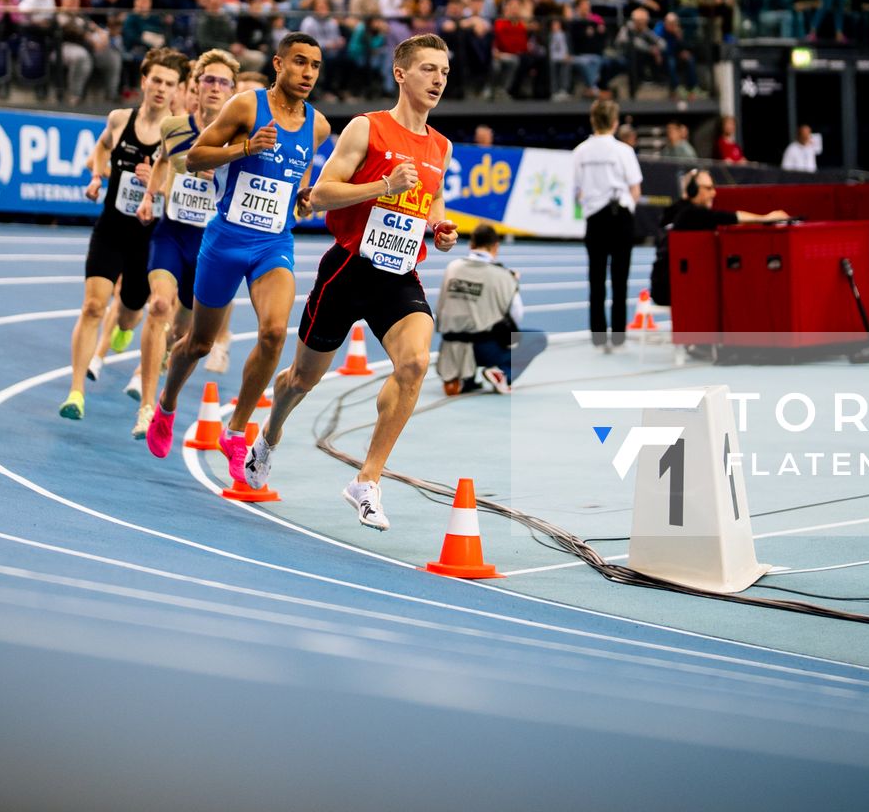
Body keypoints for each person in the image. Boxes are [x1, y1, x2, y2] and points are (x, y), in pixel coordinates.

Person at [243, 35, 460, 528]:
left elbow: (432, 202)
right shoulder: (367, 129)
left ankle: (368, 479)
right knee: (301, 380)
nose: (438, 79)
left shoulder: (441, 146)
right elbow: (319, 195)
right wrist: (385, 185)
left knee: (416, 362)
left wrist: (438, 228)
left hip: (398, 274)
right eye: (428, 69)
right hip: (347, 269)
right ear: (401, 74)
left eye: (444, 72)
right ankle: (269, 435)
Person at [146, 34, 330, 478]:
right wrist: (245, 149)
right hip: (226, 238)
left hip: (273, 243)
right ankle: (167, 405)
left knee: (273, 335)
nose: (307, 73)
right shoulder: (247, 107)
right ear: (277, 64)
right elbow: (194, 157)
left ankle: (236, 430)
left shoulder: (318, 125)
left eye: (315, 66)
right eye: (299, 63)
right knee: (198, 344)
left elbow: (299, 173)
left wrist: (303, 198)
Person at [60, 47, 184, 420]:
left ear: (177, 90)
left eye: (170, 84)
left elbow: (185, 188)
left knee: (129, 314)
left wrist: (158, 186)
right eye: (157, 81)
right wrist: (97, 176)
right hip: (111, 228)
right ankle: (76, 392)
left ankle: (124, 328)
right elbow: (101, 147)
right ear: (144, 82)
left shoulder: (178, 133)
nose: (161, 89)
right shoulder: (118, 119)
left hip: (148, 239)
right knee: (93, 305)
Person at [133, 49, 239, 437]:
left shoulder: (238, 136)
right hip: (172, 233)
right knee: (158, 304)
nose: (214, 87)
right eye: (208, 80)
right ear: (195, 85)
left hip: (211, 244)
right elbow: (162, 160)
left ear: (232, 90)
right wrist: (150, 196)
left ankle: (164, 379)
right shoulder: (174, 126)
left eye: (222, 82)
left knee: (185, 334)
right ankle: (147, 406)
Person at [649, 169, 789, 307]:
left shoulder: (674, 211)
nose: (714, 193)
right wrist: (765, 218)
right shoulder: (690, 213)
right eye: (709, 188)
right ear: (693, 190)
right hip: (672, 288)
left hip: (664, 285)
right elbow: (730, 218)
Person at [437, 224, 549, 395]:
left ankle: (464, 378)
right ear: (496, 246)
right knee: (538, 338)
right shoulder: (504, 276)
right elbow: (516, 316)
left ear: (471, 244)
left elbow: (441, 307)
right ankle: (503, 374)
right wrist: (512, 284)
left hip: (450, 347)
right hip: (484, 349)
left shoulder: (452, 267)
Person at [573, 98, 642, 352]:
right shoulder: (623, 150)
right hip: (620, 215)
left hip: (595, 219)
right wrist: (626, 206)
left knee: (597, 278)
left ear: (593, 120)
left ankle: (598, 337)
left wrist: (592, 202)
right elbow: (635, 189)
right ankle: (619, 336)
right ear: (615, 122)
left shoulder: (580, 151)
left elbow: (577, 191)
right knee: (620, 279)